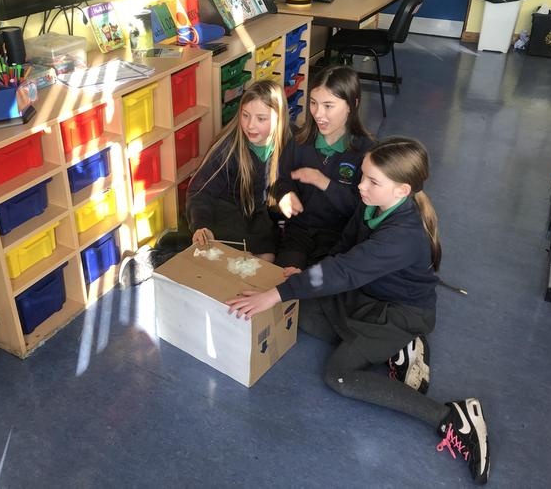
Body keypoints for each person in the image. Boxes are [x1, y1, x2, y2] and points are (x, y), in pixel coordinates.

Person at [226, 137, 490, 484]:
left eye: (372, 181)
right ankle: (399, 349)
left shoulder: (403, 236)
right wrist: (304, 275)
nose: (360, 186)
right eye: (362, 175)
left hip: (401, 314)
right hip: (368, 295)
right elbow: (342, 253)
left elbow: (344, 270)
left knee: (338, 374)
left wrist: (276, 293)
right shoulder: (371, 206)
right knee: (301, 312)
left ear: (402, 190)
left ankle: (452, 417)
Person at [273, 65, 374, 270]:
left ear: (352, 105)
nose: (318, 113)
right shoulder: (299, 142)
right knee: (283, 279)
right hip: (299, 233)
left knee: (317, 283)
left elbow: (362, 208)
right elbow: (281, 181)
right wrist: (285, 195)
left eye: (328, 106)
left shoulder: (367, 152)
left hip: (340, 240)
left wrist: (324, 182)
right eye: (313, 103)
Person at [186, 79, 291, 262]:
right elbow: (199, 192)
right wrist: (201, 225)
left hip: (260, 217)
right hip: (227, 214)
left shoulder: (291, 145)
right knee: (244, 261)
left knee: (269, 257)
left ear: (279, 119)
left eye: (261, 118)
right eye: (245, 115)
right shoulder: (227, 149)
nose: (250, 125)